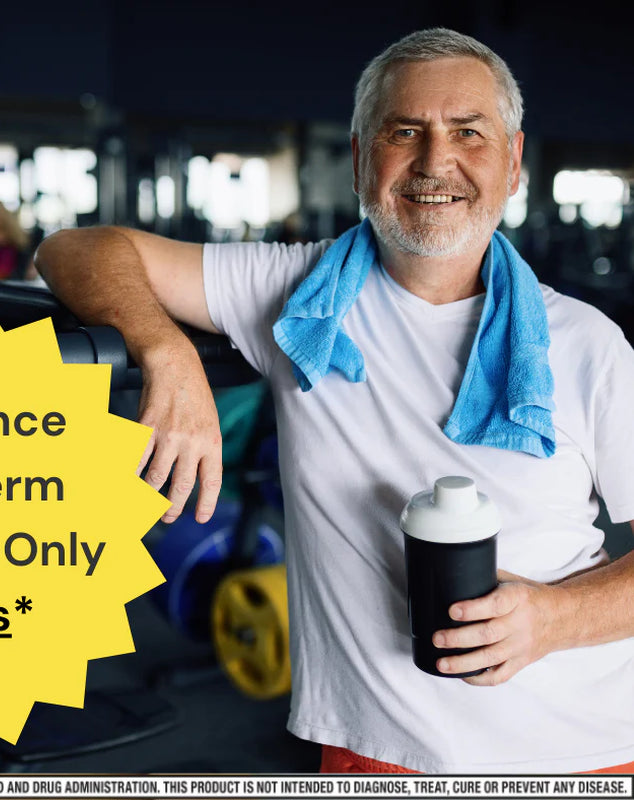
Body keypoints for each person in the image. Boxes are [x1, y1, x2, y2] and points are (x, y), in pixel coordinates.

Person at [34, 29, 634, 774]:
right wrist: (168, 352)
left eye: (468, 132)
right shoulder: (293, 290)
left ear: (512, 166)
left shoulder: (588, 344)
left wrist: (555, 618)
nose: (434, 160)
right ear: (359, 160)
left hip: (585, 754)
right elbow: (75, 248)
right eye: (403, 131)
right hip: (373, 751)